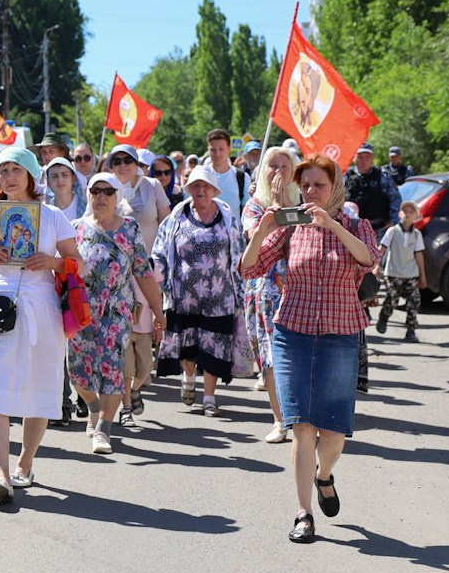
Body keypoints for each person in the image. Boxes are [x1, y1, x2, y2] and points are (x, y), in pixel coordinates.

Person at [239, 153, 378, 544]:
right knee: (301, 426)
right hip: (293, 334)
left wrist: (332, 224)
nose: (311, 191)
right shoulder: (289, 229)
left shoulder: (354, 224)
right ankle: (303, 514)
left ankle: (324, 475)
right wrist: (263, 228)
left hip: (339, 334)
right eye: (306, 185)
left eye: (319, 184)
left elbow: (368, 260)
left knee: (333, 432)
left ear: (335, 188)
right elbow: (248, 269)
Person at [0, 147, 79, 502]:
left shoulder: (53, 215)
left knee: (39, 389)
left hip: (41, 308)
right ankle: (0, 474)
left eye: (16, 169)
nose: (9, 176)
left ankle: (25, 462)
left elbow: (78, 264)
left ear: (31, 176)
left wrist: (53, 262)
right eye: (3, 170)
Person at [69, 171, 165, 456]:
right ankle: (93, 406)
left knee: (112, 371)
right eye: (95, 191)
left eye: (107, 191)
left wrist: (158, 311)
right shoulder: (74, 228)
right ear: (88, 194)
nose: (101, 196)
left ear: (117, 196)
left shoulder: (130, 230)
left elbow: (143, 273)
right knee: (77, 374)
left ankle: (103, 429)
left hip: (116, 313)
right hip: (80, 313)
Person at [153, 164, 242, 418]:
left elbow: (238, 253)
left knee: (214, 347)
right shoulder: (178, 217)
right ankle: (189, 375)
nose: (200, 190)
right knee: (188, 346)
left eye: (205, 186)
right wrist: (155, 274)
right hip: (184, 295)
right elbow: (160, 249)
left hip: (219, 295)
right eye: (195, 186)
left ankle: (210, 397)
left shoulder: (227, 218)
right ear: (189, 189)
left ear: (214, 190)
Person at [242, 144, 301, 444]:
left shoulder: (306, 201)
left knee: (298, 356)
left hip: (301, 289)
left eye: (284, 166)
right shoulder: (254, 204)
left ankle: (301, 420)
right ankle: (280, 420)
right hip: (265, 291)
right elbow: (257, 238)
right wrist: (275, 204)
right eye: (272, 166)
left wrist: (287, 201)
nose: (278, 172)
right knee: (270, 355)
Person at [376, 199, 428, 343]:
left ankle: (411, 330)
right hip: (393, 272)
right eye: (405, 211)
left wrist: (422, 275)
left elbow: (418, 254)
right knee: (392, 299)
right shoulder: (393, 231)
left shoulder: (417, 234)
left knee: (414, 302)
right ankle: (384, 316)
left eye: (411, 212)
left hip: (411, 274)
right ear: (400, 214)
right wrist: (376, 265)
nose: (407, 214)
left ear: (416, 217)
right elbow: (382, 249)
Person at [106, 143, 172, 249]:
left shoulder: (153, 185)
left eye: (127, 160)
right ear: (112, 167)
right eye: (117, 162)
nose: (122, 165)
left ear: (136, 164)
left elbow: (167, 224)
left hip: (150, 259)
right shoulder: (104, 188)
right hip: (116, 261)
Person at [342, 144, 397, 232]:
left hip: (378, 229)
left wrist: (394, 221)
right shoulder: (345, 177)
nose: (363, 161)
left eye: (367, 157)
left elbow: (395, 198)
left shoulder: (382, 176)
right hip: (350, 230)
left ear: (372, 158)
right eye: (360, 157)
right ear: (354, 158)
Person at [201, 129, 250, 221]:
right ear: (208, 149)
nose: (217, 154)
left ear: (229, 148)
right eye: (213, 149)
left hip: (234, 233)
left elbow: (248, 210)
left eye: (221, 149)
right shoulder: (201, 176)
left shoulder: (241, 177)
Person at [42, 156, 84, 222]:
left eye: (64, 175)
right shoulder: (44, 211)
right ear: (48, 182)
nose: (60, 180)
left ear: (73, 178)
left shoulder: (85, 206)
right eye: (54, 176)